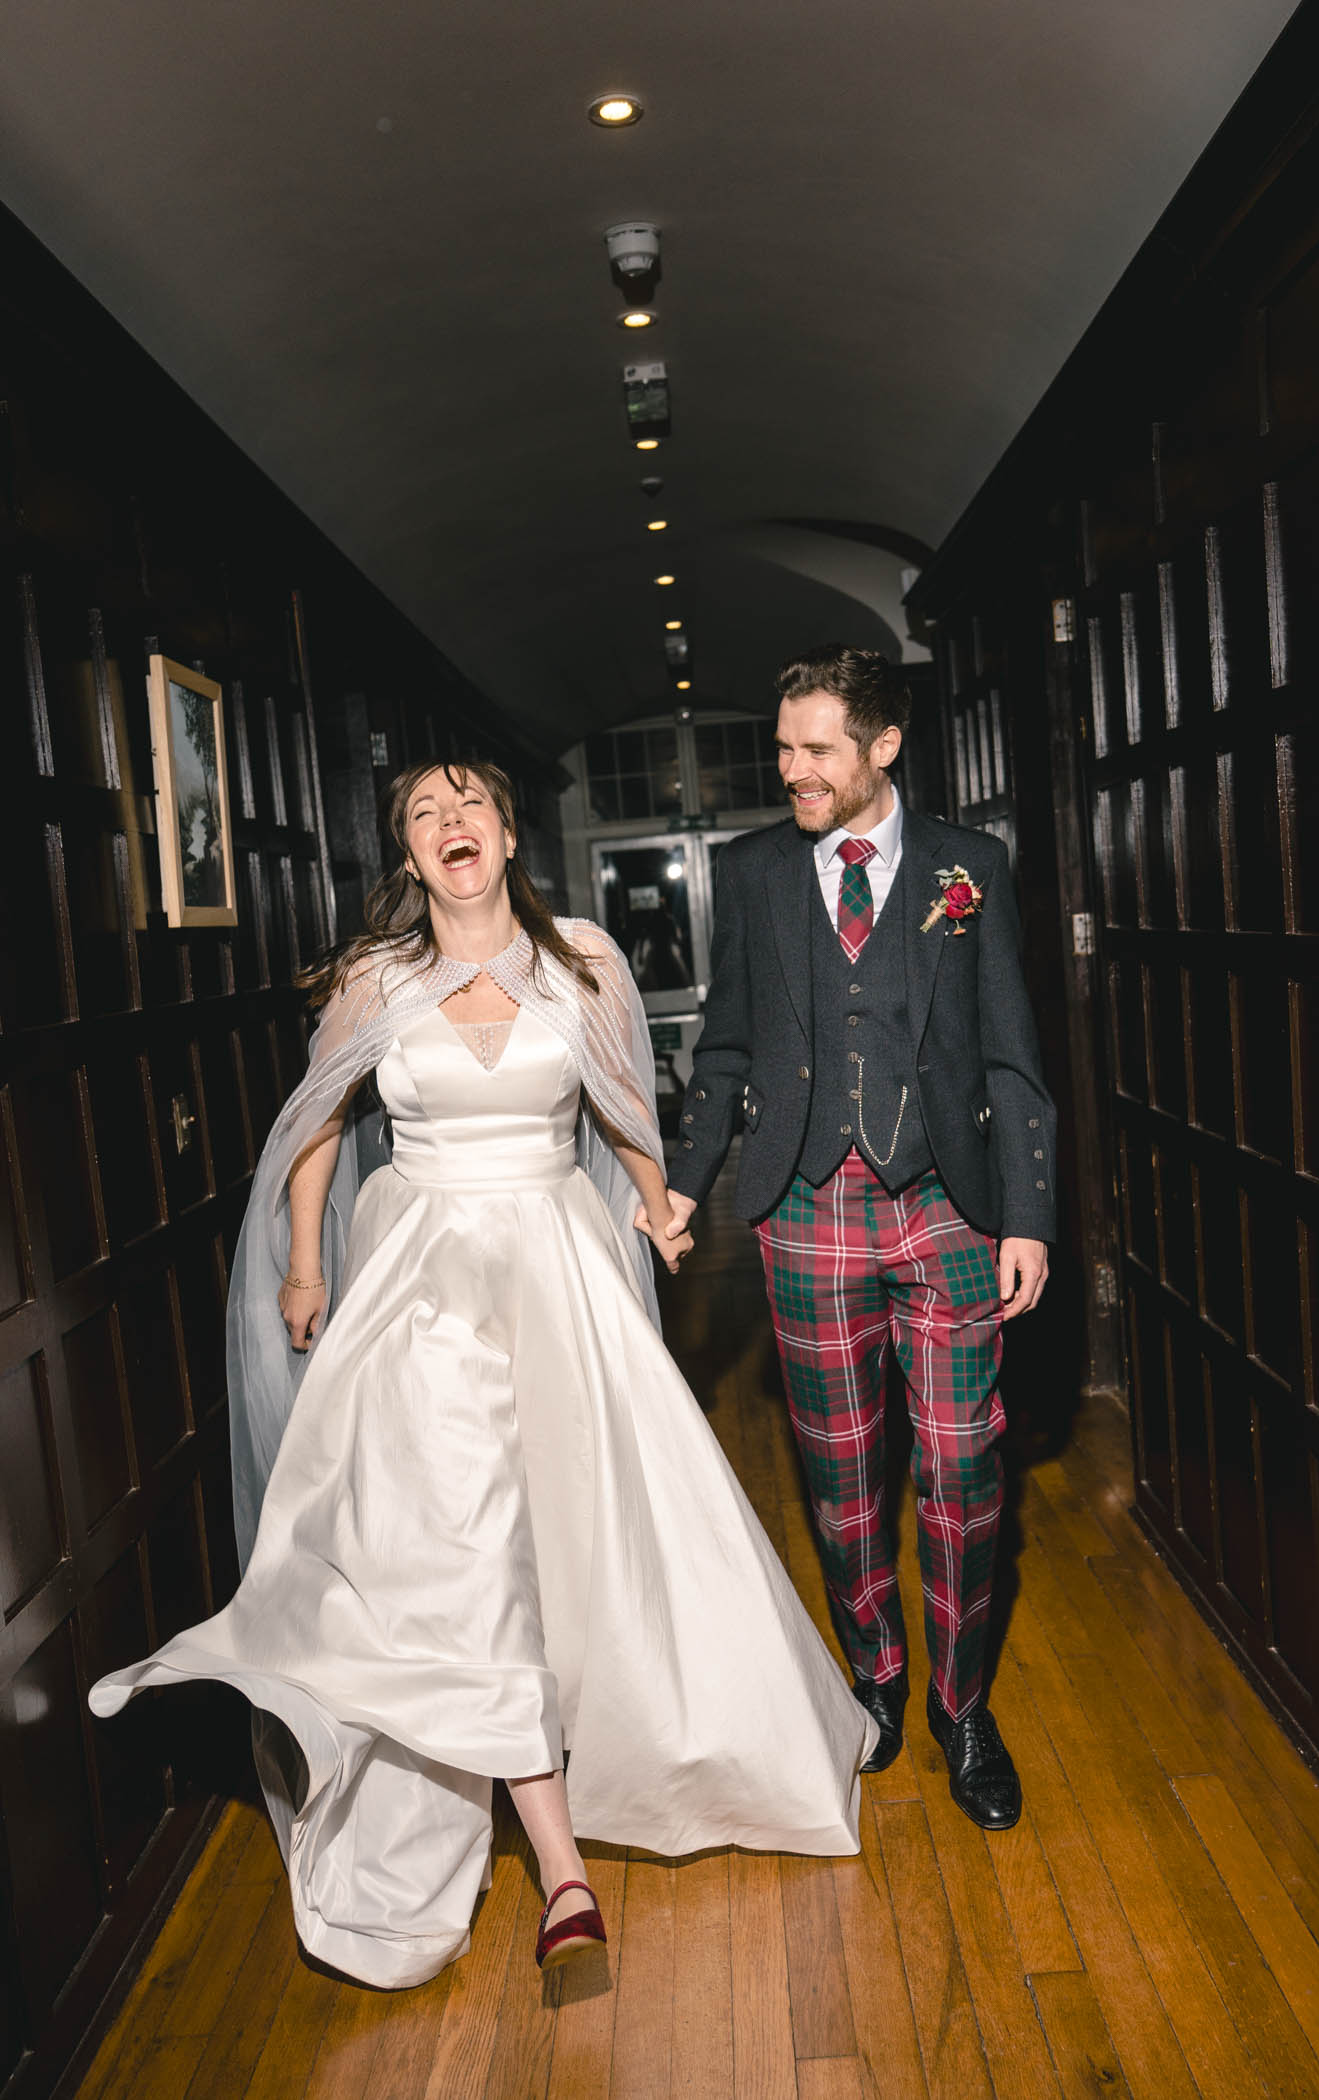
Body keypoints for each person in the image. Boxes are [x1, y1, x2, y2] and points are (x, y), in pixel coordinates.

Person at [90, 759, 876, 1988]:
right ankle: (561, 1873)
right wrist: (304, 1268)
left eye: (470, 806)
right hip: (417, 1288)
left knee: (580, 1535)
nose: (451, 824)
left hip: (556, 1272)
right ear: (410, 857)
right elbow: (313, 1129)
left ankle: (648, 1759)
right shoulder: (375, 980)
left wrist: (659, 1203)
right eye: (423, 813)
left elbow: (622, 1105)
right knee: (464, 1543)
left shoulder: (585, 963)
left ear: (508, 835)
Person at [663, 647, 1055, 1831]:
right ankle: (874, 1680)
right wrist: (685, 1182)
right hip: (801, 1210)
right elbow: (723, 1047)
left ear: (883, 747)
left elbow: (1010, 1057)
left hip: (948, 1206)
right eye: (782, 749)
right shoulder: (753, 875)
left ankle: (961, 1704)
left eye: (816, 749)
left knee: (962, 1470)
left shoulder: (968, 870)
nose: (792, 771)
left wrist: (1027, 1217)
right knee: (840, 1482)